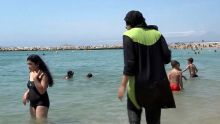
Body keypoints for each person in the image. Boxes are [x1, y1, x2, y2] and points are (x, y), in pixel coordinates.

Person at [118, 10, 175, 124]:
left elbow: (130, 64)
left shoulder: (128, 35)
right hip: (156, 86)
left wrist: (122, 86)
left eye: (126, 24)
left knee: (134, 120)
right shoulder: (157, 34)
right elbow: (167, 58)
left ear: (130, 23)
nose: (126, 27)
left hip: (137, 87)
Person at [22, 54, 54, 122]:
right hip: (32, 102)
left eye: (30, 64)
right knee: (33, 122)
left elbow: (42, 91)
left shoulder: (43, 74)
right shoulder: (31, 72)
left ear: (37, 64)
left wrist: (35, 79)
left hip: (42, 102)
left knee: (40, 122)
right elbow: (31, 87)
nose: (28, 66)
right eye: (27, 64)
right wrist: (26, 93)